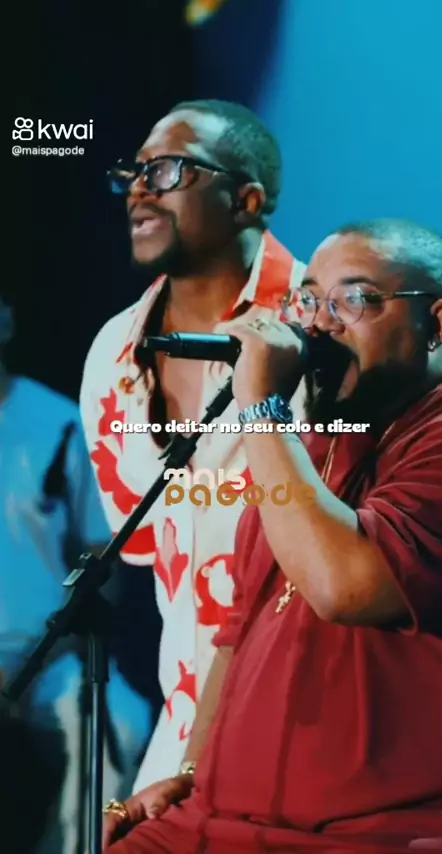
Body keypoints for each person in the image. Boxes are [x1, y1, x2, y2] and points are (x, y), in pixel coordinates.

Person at [103, 219, 442, 854]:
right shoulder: (310, 444)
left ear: (437, 324)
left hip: (382, 833)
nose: (319, 325)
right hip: (220, 818)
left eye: (353, 300)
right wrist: (191, 775)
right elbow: (239, 630)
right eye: (308, 301)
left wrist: (261, 410)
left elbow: (345, 586)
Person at [80, 100, 306, 792]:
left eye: (168, 169)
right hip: (185, 730)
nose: (140, 189)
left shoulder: (324, 327)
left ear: (247, 201)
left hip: (316, 716)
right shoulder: (113, 354)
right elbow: (147, 545)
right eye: (134, 173)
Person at [0, 288, 150, 853]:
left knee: (120, 725)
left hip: (43, 654)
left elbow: (101, 558)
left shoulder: (59, 423)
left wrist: (46, 650)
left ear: (6, 321)